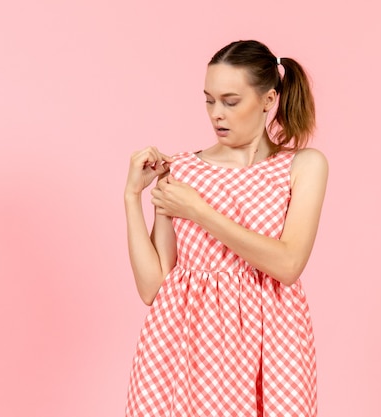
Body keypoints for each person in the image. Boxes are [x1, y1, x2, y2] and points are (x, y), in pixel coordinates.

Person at [123, 39, 328, 416]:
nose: (216, 113)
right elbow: (154, 288)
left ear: (268, 100)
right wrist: (132, 197)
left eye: (230, 101)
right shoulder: (181, 171)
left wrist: (201, 212)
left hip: (274, 342)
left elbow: (287, 265)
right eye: (209, 100)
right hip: (188, 345)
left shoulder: (304, 165)